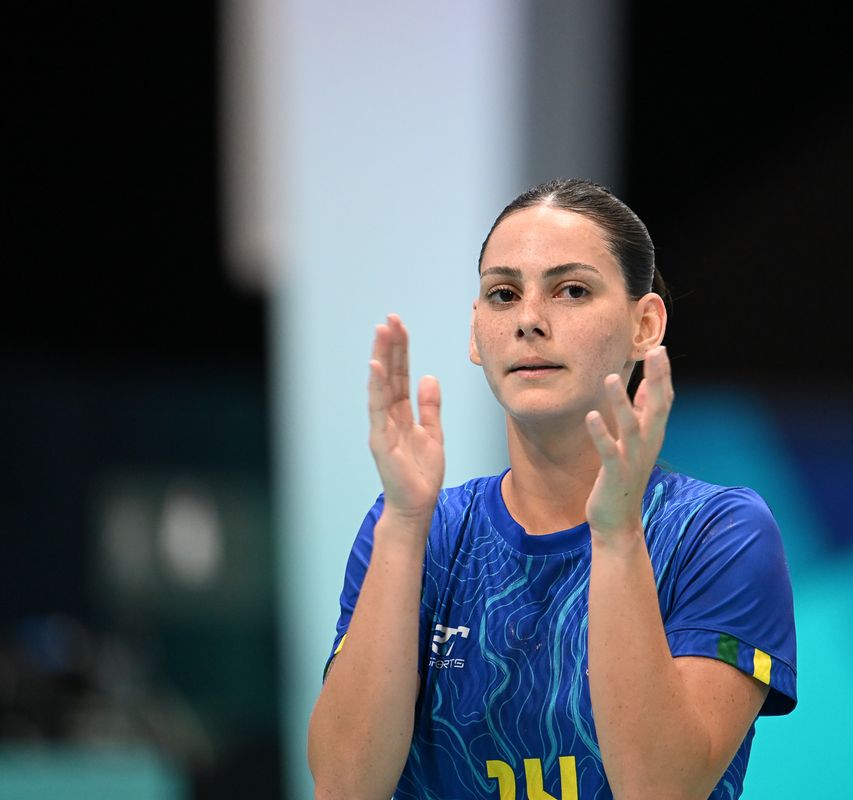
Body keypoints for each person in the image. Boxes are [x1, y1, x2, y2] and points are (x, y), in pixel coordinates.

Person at [307, 178, 797, 799]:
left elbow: (661, 789)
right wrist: (404, 523)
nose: (530, 321)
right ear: (475, 331)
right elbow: (344, 787)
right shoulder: (418, 531)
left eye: (572, 290)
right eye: (503, 294)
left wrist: (618, 534)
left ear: (645, 324)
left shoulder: (718, 533)